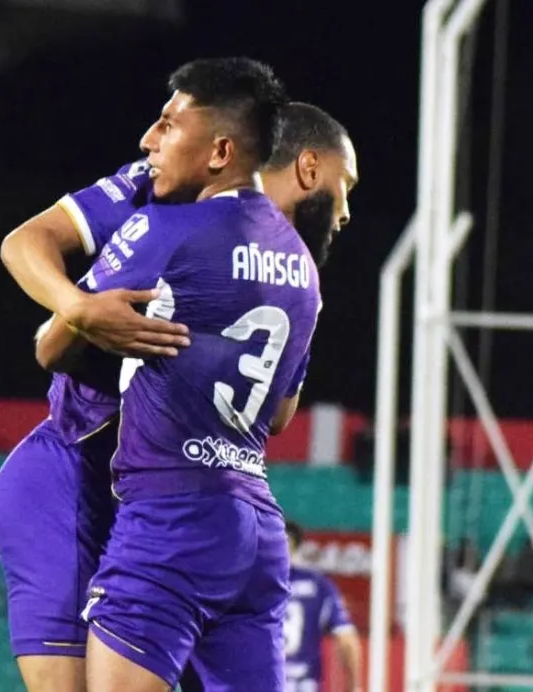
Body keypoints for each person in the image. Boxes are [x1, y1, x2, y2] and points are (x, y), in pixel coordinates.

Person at [0, 87, 357, 692]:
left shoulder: (291, 269)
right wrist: (78, 307)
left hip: (169, 498)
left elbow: (275, 415)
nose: (345, 213)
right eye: (347, 186)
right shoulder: (160, 189)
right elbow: (27, 248)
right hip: (76, 473)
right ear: (310, 167)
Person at [65, 59, 322, 692]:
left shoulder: (171, 228)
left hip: (171, 514)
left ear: (221, 152)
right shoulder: (302, 265)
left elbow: (53, 344)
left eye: (169, 124)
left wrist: (79, 309)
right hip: (255, 529)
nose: (149, 139)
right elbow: (281, 415)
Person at [284, 521, 364, 692]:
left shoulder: (253, 585)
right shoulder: (318, 584)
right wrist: (353, 686)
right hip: (304, 684)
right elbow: (346, 639)